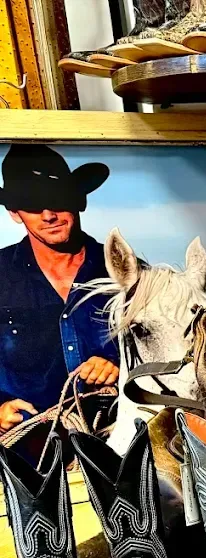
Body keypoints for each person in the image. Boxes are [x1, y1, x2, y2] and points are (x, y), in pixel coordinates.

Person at [0, 144, 119, 433]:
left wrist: (118, 363)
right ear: (15, 213)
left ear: (79, 200)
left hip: (118, 440)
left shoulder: (125, 270)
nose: (48, 215)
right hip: (25, 450)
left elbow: (163, 348)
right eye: (32, 205)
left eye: (57, 200)